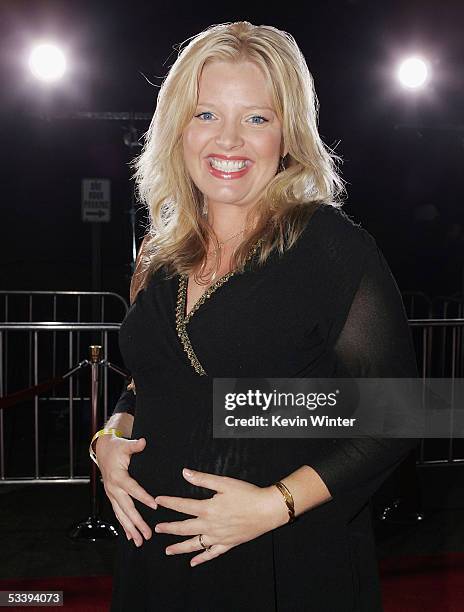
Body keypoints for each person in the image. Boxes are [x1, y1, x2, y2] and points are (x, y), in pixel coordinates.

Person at [92, 21, 419, 611]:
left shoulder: (330, 248)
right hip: (157, 553)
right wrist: (111, 435)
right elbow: (160, 380)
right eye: (207, 114)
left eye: (257, 118)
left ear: (288, 133)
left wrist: (274, 504)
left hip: (283, 559)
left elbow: (398, 413)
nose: (229, 140)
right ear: (178, 128)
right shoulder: (161, 251)